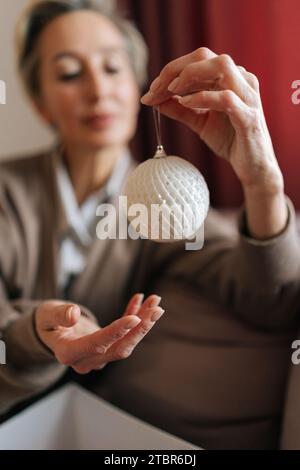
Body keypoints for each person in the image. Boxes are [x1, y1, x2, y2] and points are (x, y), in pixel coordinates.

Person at [0, 0, 299, 449]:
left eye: (112, 68)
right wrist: (37, 333)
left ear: (138, 82)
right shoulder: (6, 191)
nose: (98, 89)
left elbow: (270, 298)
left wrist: (262, 181)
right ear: (41, 103)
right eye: (68, 73)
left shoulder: (163, 207)